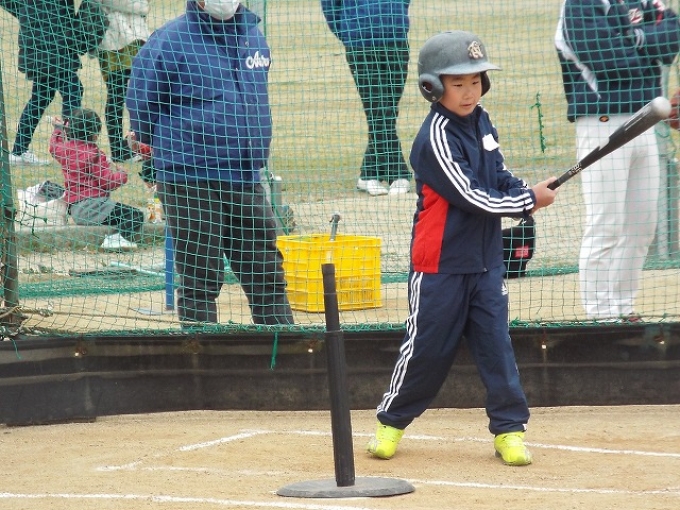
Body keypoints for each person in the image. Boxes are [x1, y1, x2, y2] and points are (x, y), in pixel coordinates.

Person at [365, 31, 558, 466]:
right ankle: (391, 423)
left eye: (476, 81)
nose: (470, 92)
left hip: (485, 262)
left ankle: (509, 430)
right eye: (458, 83)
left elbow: (498, 177)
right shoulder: (434, 137)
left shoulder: (482, 121)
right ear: (433, 87)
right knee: (427, 350)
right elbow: (471, 196)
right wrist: (526, 201)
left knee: (497, 348)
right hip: (440, 265)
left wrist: (523, 190)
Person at [125, 0, 295, 326]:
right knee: (199, 279)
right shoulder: (169, 40)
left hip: (245, 174)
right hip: (188, 178)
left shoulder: (253, 37)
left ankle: (282, 349)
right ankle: (201, 354)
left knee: (267, 275)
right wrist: (163, 147)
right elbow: (142, 103)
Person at [555, 0, 680, 321]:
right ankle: (601, 315)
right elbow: (605, 58)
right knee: (606, 225)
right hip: (602, 122)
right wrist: (647, 48)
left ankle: (623, 309)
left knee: (642, 226)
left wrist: (633, 38)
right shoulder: (581, 4)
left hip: (645, 121)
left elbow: (674, 35)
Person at [320, 0, 412, 196]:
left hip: (396, 37)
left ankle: (368, 173)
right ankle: (398, 173)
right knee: (378, 109)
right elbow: (330, 7)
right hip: (360, 41)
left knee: (388, 110)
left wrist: (397, 16)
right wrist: (348, 31)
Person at [2, 0, 84, 166]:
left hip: (41, 38)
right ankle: (72, 148)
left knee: (41, 97)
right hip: (52, 41)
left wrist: (27, 12)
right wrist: (29, 12)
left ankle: (18, 151)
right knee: (72, 91)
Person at [49, 108, 143, 251]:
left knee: (117, 214)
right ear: (94, 135)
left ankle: (114, 237)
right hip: (93, 207)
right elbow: (108, 182)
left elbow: (54, 147)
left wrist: (58, 129)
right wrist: (122, 175)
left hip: (75, 210)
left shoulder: (64, 150)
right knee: (135, 215)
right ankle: (114, 240)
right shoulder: (94, 154)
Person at [95, 0, 151, 162]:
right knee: (117, 93)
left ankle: (137, 144)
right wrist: (141, 5)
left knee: (140, 92)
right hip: (113, 37)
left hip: (136, 35)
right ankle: (118, 151)